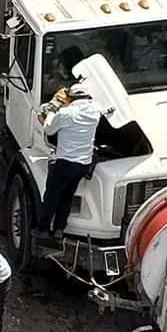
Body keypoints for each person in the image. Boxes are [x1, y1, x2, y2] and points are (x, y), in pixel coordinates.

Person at [37, 83, 103, 232]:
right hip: (83, 164)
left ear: (70, 98)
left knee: (51, 197)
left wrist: (53, 111)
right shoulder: (95, 110)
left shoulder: (67, 113)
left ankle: (42, 229)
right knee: (67, 196)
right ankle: (59, 230)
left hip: (65, 164)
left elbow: (49, 129)